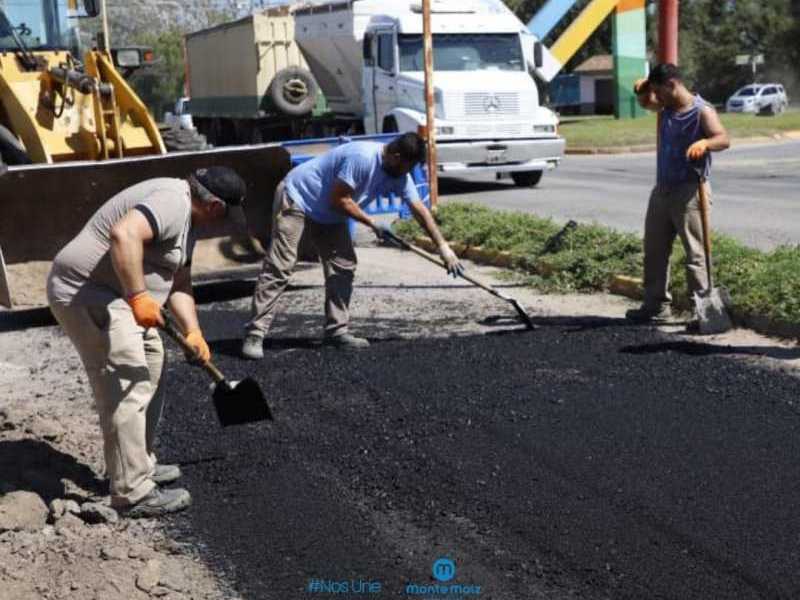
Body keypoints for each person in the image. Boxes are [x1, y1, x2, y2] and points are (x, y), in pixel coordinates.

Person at [47, 167, 248, 518]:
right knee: (128, 381)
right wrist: (139, 296)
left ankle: (135, 463)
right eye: (226, 215)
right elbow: (124, 234)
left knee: (153, 364)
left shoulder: (188, 222)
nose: (224, 224)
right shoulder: (172, 201)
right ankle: (132, 492)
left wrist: (193, 331)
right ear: (214, 206)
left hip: (119, 296)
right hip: (89, 294)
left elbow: (180, 283)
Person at [241, 133, 462, 359]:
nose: (408, 171)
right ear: (396, 157)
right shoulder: (362, 158)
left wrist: (444, 248)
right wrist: (373, 223)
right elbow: (339, 199)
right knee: (281, 266)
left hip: (329, 213)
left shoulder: (399, 174)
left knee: (343, 266)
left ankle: (336, 332)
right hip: (299, 197)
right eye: (408, 165)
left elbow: (419, 210)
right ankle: (255, 333)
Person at [626, 63, 730, 326]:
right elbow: (645, 102)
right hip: (662, 190)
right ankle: (655, 306)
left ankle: (705, 313)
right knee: (655, 251)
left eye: (659, 91)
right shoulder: (666, 108)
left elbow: (723, 139)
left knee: (696, 255)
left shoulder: (701, 111)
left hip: (690, 192)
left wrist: (705, 142)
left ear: (672, 85)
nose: (656, 98)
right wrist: (642, 90)